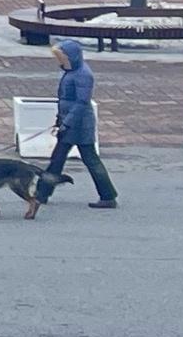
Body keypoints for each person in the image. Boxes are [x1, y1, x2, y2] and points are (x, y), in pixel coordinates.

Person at [28, 40, 117, 215]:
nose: (59, 61)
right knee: (58, 159)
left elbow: (81, 103)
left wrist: (66, 122)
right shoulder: (72, 71)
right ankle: (42, 193)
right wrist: (61, 120)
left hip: (80, 125)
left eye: (61, 57)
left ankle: (107, 196)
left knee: (88, 159)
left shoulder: (83, 75)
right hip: (71, 123)